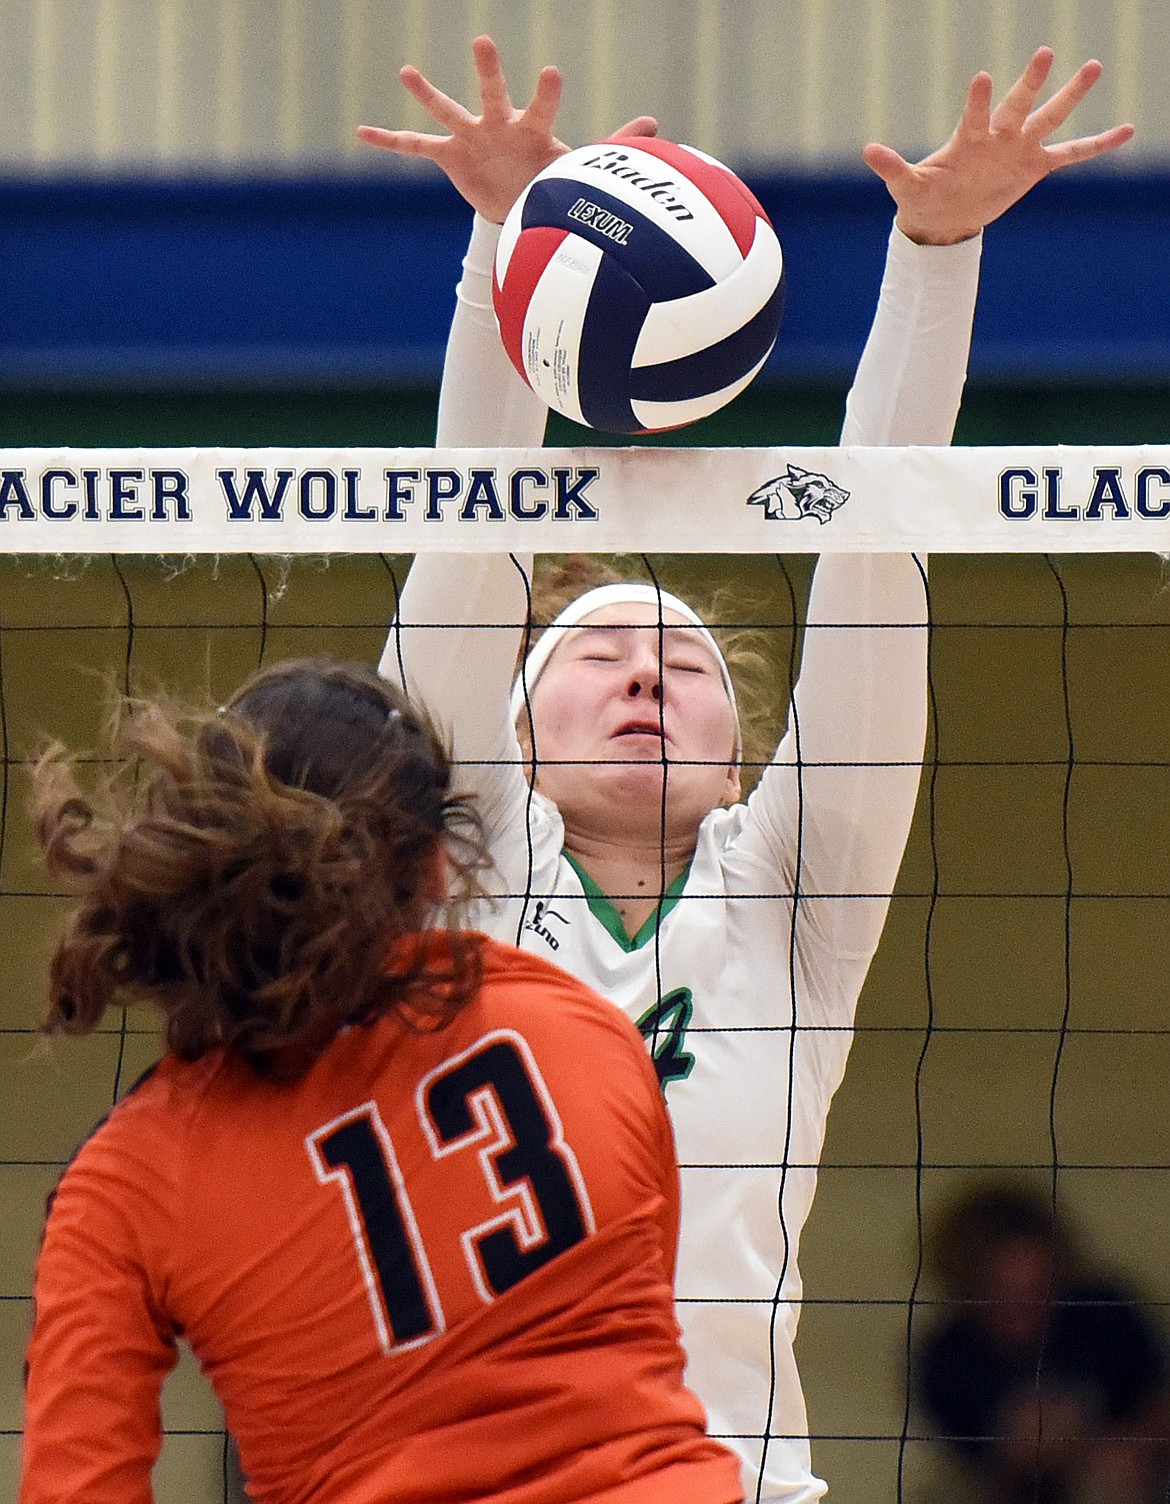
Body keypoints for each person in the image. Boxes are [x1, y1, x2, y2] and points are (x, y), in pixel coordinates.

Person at [359, 38, 1133, 1503]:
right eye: (595, 656)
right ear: (513, 743)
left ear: (737, 769)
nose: (647, 673)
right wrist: (507, 248)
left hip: (733, 1482)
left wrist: (937, 253)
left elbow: (871, 550)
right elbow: (469, 537)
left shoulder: (792, 901)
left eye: (689, 666)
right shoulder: (454, 866)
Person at [20, 660, 746, 1504]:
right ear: (438, 865)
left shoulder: (125, 1183)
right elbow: (652, 1314)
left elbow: (76, 1488)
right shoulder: (573, 1022)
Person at [913, 1178, 1170, 1504]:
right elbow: (1002, 1459)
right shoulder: (948, 1355)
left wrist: (1126, 1443)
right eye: (1005, 1296)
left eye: (1038, 1292)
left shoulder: (1104, 1316)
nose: (1026, 1310)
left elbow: (1159, 1403)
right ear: (970, 1289)